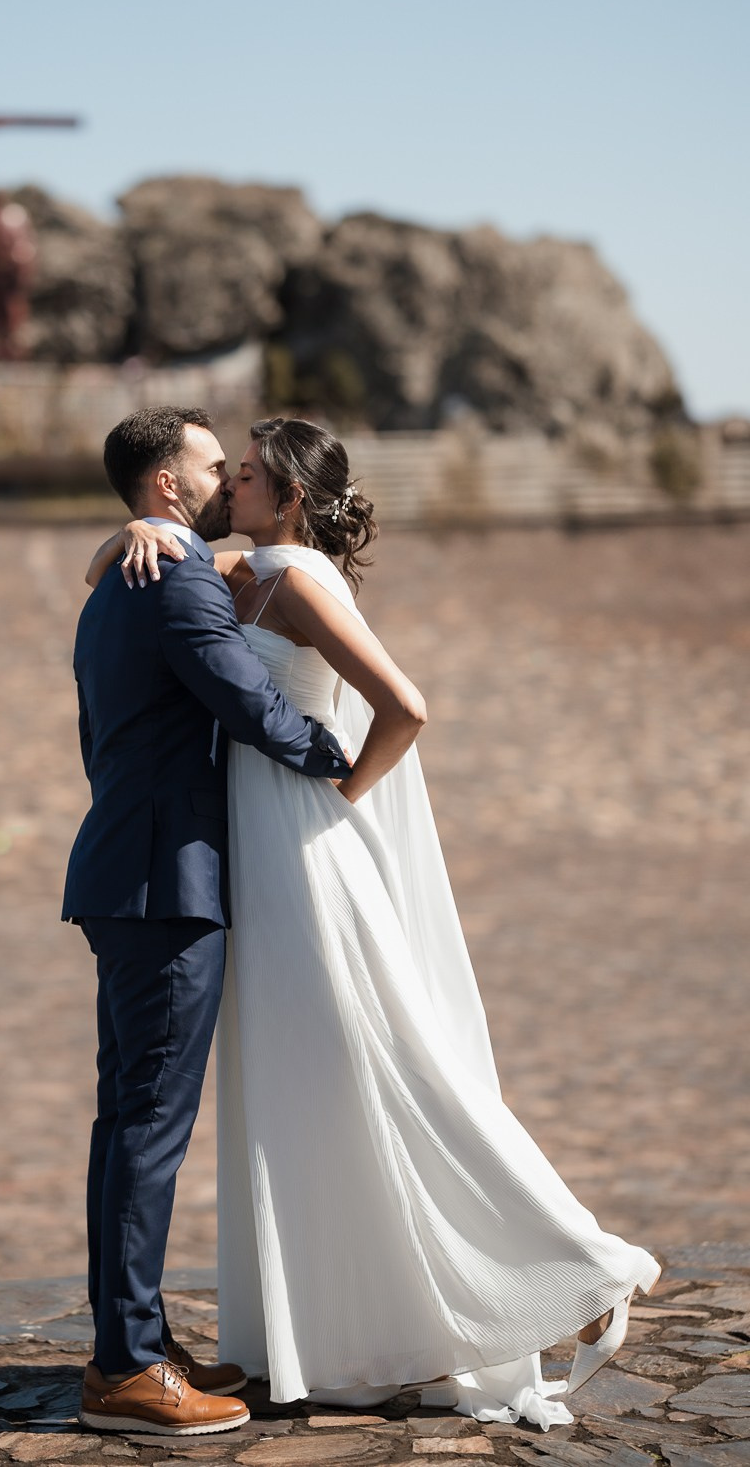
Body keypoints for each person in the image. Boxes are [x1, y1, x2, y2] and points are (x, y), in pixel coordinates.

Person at [86, 414, 661, 1430]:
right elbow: (161, 572)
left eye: (249, 472)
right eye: (221, 470)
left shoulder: (288, 580)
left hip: (300, 849)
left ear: (288, 498)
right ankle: (326, 1327)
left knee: (384, 1059)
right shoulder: (223, 571)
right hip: (235, 862)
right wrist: (137, 533)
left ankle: (570, 1264)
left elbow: (402, 706)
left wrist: (333, 792)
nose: (232, 482)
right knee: (291, 1091)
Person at [63, 406, 354, 1438]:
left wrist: (118, 537)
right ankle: (127, 1369)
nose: (230, 478)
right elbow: (249, 705)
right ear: (168, 490)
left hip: (126, 873)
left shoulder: (121, 583)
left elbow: (101, 730)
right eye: (211, 466)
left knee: (125, 1127)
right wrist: (340, 763)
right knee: (147, 1128)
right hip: (167, 884)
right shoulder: (175, 578)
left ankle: (128, 1342)